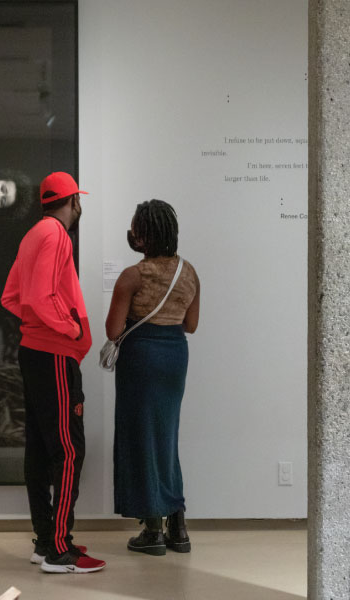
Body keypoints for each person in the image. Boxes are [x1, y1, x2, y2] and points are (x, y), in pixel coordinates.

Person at [1, 172, 106, 574]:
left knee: (41, 450)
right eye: (79, 200)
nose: (80, 207)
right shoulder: (56, 235)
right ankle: (59, 550)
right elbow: (42, 296)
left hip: (34, 352)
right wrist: (70, 328)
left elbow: (12, 295)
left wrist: (41, 326)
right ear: (72, 201)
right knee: (67, 450)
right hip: (55, 355)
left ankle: (46, 539)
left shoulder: (31, 235)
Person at [105, 199, 200, 556]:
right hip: (174, 356)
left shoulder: (133, 276)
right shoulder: (189, 273)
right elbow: (191, 324)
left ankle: (153, 530)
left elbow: (114, 329)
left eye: (135, 228)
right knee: (166, 435)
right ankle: (179, 524)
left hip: (141, 359)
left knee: (140, 437)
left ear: (142, 236)